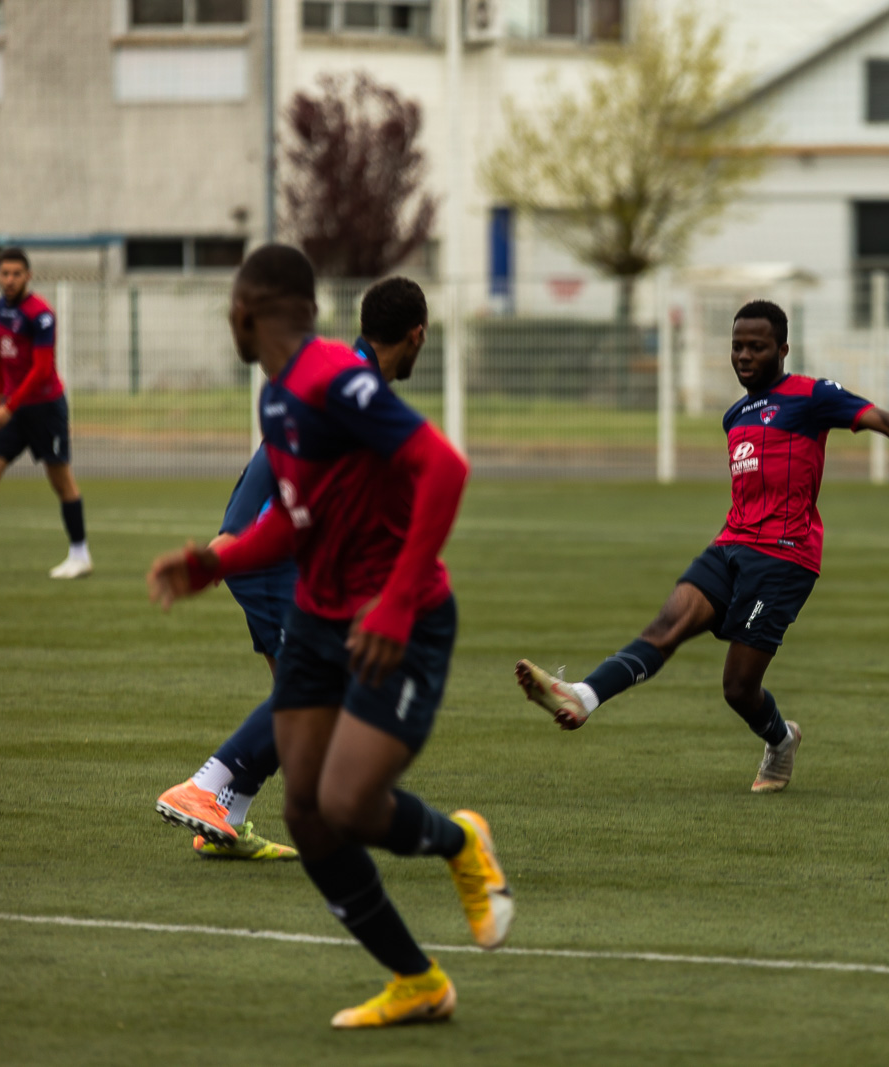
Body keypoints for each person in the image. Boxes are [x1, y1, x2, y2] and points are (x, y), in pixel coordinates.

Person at [147, 247, 509, 1029]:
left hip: (395, 617)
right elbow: (288, 516)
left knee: (345, 801)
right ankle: (417, 981)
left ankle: (460, 842)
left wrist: (395, 602)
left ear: (248, 313)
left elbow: (444, 469)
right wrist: (216, 561)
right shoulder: (280, 398)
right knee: (309, 815)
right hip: (318, 613)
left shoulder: (338, 381)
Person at [513, 300, 889, 792]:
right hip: (730, 546)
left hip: (784, 557)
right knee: (665, 626)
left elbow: (881, 420)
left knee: (738, 688)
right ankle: (582, 696)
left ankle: (781, 739)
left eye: (757, 347)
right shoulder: (734, 415)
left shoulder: (811, 396)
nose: (744, 356)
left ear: (782, 349)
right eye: (737, 346)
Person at [155, 277, 431, 861]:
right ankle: (207, 785)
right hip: (270, 555)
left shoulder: (341, 372)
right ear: (417, 336)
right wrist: (233, 536)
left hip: (265, 551)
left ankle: (225, 817)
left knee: (304, 698)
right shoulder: (355, 388)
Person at [0, 247, 91, 577]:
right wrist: (2, 400)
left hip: (44, 409)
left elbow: (42, 370)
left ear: (28, 276)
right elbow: (1, 356)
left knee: (61, 481)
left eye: (16, 274)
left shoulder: (41, 314)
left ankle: (80, 554)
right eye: (4, 273)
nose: (9, 280)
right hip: (12, 410)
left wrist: (8, 406)